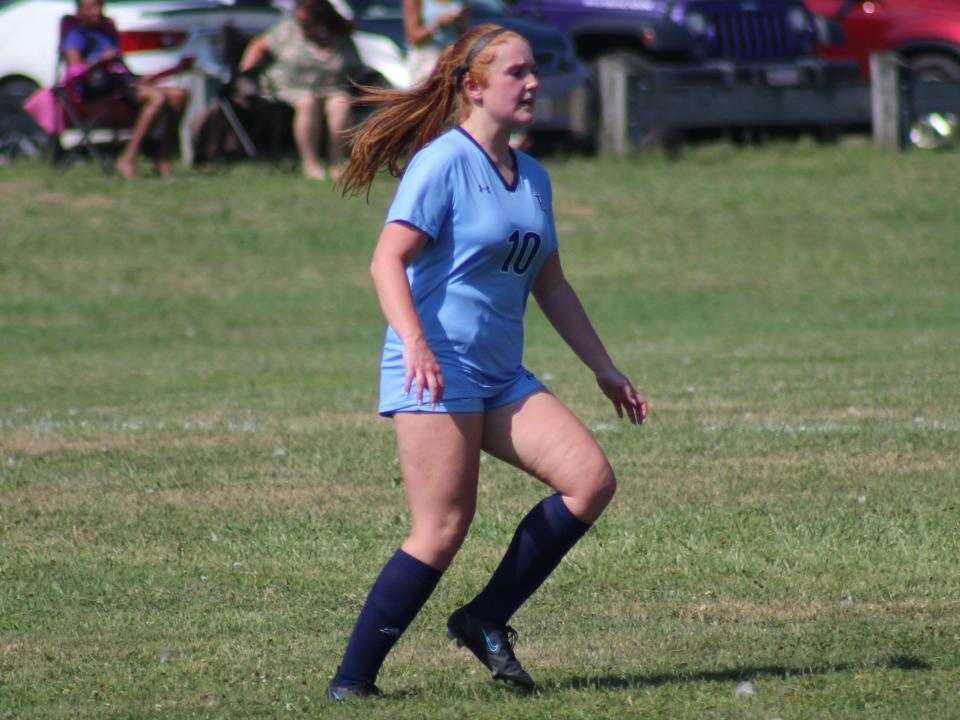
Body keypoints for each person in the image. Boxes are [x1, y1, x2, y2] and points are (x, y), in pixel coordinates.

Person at [326, 25, 648, 701]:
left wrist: (603, 367)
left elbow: (551, 284)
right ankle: (352, 683)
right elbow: (387, 259)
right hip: (435, 370)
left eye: (535, 72)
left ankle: (484, 618)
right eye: (517, 74)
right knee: (442, 529)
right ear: (473, 87)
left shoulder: (532, 175)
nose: (532, 83)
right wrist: (413, 340)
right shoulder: (443, 161)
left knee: (589, 480)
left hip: (501, 374)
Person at [63, 0, 188, 178]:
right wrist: (99, 62)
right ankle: (127, 157)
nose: (96, 12)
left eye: (99, 6)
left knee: (179, 95)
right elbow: (74, 71)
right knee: (156, 98)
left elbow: (120, 67)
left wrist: (139, 77)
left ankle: (162, 157)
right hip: (101, 93)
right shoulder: (76, 35)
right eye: (90, 7)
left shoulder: (107, 31)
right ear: (79, 11)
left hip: (124, 85)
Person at [239, 0, 361, 180]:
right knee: (308, 102)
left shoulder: (340, 36)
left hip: (331, 86)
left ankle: (337, 163)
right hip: (291, 87)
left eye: (307, 23)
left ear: (321, 20)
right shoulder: (287, 30)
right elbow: (259, 45)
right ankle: (310, 164)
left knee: (341, 103)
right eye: (300, 21)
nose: (302, 26)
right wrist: (244, 72)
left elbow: (355, 68)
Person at [403, 0, 469, 85]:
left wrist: (459, 22)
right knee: (428, 96)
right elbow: (414, 39)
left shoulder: (462, 2)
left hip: (453, 58)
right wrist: (438, 23)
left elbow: (464, 31)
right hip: (426, 60)